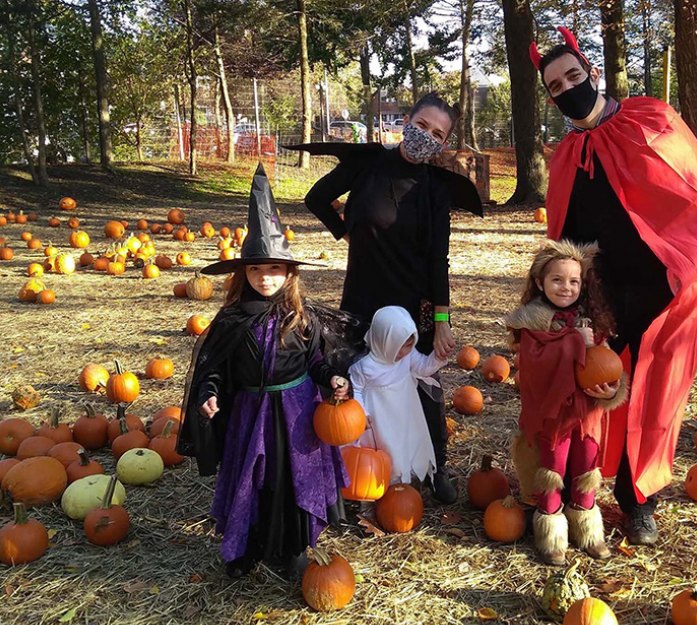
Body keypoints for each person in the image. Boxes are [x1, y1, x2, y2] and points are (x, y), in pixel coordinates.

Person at [527, 28, 697, 546]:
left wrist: (685, 273)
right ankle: (581, 489)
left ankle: (639, 500)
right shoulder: (568, 155)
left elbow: (695, 195)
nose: (567, 88)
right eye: (554, 86)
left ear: (592, 70)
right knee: (595, 393)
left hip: (661, 292)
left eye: (573, 75)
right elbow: (564, 233)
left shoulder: (650, 119)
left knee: (654, 397)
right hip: (601, 297)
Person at [297, 92, 483, 504]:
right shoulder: (367, 165)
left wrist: (441, 320)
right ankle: (362, 465)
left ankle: (435, 465)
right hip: (363, 297)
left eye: (438, 134)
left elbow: (439, 259)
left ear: (444, 143)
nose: (427, 137)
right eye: (422, 126)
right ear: (407, 122)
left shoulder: (435, 189)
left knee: (422, 383)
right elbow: (315, 198)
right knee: (360, 382)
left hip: (412, 301)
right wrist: (343, 230)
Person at [177, 164, 356, 578]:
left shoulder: (301, 317)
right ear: (243, 274)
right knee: (252, 480)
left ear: (289, 273)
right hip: (250, 415)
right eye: (255, 270)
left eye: (274, 269)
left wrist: (331, 377)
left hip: (296, 418)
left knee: (291, 480)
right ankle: (247, 546)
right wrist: (209, 392)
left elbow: (316, 361)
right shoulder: (231, 319)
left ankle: (294, 547)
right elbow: (215, 368)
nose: (265, 278)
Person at [505, 240, 628, 565]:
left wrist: (612, 389)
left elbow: (605, 362)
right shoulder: (533, 324)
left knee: (586, 467)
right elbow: (537, 368)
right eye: (557, 280)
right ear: (540, 282)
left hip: (587, 415)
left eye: (574, 281)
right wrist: (574, 342)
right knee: (552, 469)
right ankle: (551, 533)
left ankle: (587, 528)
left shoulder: (591, 320)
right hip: (553, 418)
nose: (566, 287)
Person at [349, 306, 448, 485]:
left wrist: (438, 357)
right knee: (384, 449)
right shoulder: (365, 367)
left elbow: (423, 368)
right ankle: (380, 486)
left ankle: (403, 483)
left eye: (409, 346)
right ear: (383, 341)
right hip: (378, 418)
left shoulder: (408, 356)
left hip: (404, 413)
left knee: (403, 444)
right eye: (399, 347)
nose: (404, 352)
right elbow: (355, 389)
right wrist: (361, 413)